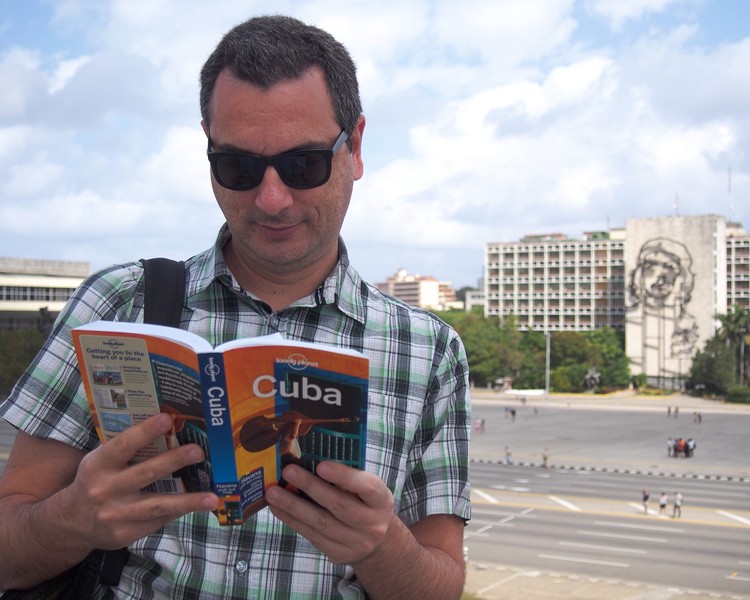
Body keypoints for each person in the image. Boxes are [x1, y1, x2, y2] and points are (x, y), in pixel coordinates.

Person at [0, 15, 470, 599]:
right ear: (208, 149)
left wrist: (382, 547)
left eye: (303, 165)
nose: (272, 199)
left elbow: (441, 585)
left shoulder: (428, 350)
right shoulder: (114, 305)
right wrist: (70, 520)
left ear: (354, 145)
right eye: (238, 168)